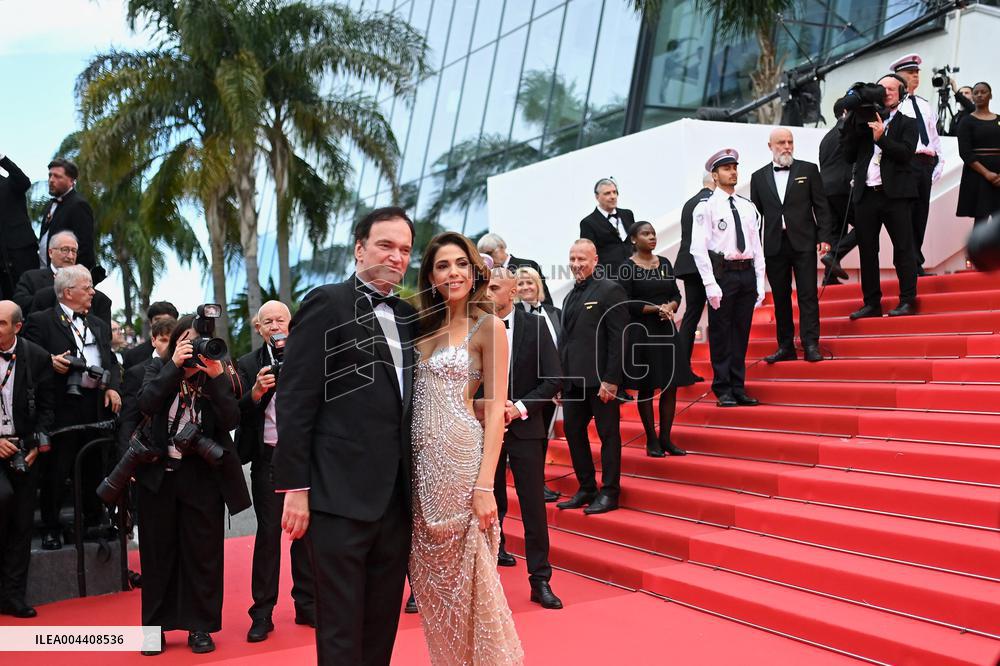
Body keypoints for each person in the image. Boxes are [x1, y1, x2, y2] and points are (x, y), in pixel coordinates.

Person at [274, 207, 417, 666]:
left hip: (395, 500)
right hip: (337, 498)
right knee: (339, 628)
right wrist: (296, 488)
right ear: (360, 249)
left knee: (381, 624)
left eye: (405, 250)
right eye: (385, 245)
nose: (396, 257)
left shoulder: (410, 317)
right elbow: (296, 400)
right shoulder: (327, 303)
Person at [409, 232, 522, 664]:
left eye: (460, 263)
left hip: (461, 468)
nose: (452, 272)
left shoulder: (487, 326)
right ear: (431, 276)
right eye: (442, 266)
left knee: (472, 587)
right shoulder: (422, 327)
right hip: (421, 472)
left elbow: (495, 411)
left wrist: (485, 485)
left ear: (475, 270)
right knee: (436, 591)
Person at [135, 315, 250, 655]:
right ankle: (154, 629)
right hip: (159, 475)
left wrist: (216, 381)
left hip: (203, 476)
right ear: (175, 342)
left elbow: (232, 420)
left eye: (201, 338)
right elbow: (146, 403)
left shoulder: (216, 373)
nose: (196, 345)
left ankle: (200, 627)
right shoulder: (157, 370)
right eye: (189, 338)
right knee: (157, 556)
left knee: (204, 555)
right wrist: (174, 367)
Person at [22, 264, 121, 550]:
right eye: (87, 287)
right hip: (60, 405)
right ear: (68, 292)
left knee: (94, 464)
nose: (93, 292)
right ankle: (51, 526)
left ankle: (92, 521)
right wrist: (49, 360)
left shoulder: (98, 325)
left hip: (94, 404)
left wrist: (113, 386)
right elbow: (27, 357)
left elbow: (110, 361)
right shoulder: (41, 321)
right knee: (57, 468)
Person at [235, 300, 315, 642]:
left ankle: (307, 604)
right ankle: (262, 613)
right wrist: (257, 392)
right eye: (267, 321)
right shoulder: (248, 364)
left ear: (291, 323)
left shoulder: (307, 356)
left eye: (280, 319)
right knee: (268, 536)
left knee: (306, 534)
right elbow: (236, 413)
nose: (274, 325)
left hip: (304, 457)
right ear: (259, 328)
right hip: (267, 458)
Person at [484, 268, 563, 610]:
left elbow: (553, 379)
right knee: (488, 504)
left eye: (495, 287)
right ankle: (485, 577)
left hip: (525, 428)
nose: (487, 292)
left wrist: (517, 409)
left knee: (532, 505)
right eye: (485, 286)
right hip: (484, 430)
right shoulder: (476, 327)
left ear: (513, 291)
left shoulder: (534, 326)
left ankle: (540, 579)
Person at [750, 128, 836, 364]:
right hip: (775, 245)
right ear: (770, 146)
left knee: (808, 295)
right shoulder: (758, 177)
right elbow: (755, 218)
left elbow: (821, 207)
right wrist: (755, 250)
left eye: (790, 142)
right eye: (781, 143)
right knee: (780, 297)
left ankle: (811, 345)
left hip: (804, 242)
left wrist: (825, 237)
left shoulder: (808, 170)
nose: (787, 146)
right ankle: (785, 346)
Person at [556, 239, 629, 515]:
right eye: (572, 258)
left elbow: (619, 339)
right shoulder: (569, 295)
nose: (576, 264)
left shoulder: (610, 290)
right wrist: (560, 379)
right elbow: (566, 341)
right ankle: (587, 487)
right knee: (574, 433)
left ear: (595, 260)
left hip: (601, 381)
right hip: (573, 381)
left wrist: (612, 380)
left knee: (608, 435)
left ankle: (610, 492)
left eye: (581, 259)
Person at [841, 74, 920, 320]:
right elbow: (849, 155)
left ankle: (907, 300)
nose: (885, 93)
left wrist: (882, 138)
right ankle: (871, 303)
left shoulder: (908, 123)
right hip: (866, 195)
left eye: (890, 89)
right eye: (881, 89)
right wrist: (850, 123)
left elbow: (906, 154)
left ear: (902, 93)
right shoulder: (863, 121)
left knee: (903, 249)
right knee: (867, 251)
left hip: (895, 195)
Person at [690, 149, 765, 407]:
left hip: (746, 273)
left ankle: (738, 386)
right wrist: (710, 284)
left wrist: (759, 282)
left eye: (734, 167)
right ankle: (722, 388)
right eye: (726, 168)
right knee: (722, 333)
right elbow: (698, 249)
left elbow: (757, 246)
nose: (732, 172)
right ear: (714, 174)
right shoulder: (706, 207)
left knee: (741, 332)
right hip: (723, 274)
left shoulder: (747, 206)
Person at [0, 301, 54, 619]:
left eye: (1, 324)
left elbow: (48, 408)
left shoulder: (36, 356)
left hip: (25, 449)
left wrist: (37, 444)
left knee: (22, 524)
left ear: (17, 327)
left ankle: (12, 596)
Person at [619, 222, 688, 457]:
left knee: (670, 386)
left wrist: (670, 306)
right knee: (647, 388)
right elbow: (626, 302)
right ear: (633, 240)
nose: (652, 237)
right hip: (643, 332)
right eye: (645, 234)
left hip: (666, 330)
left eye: (653, 234)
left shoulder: (665, 263)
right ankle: (651, 440)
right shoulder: (627, 267)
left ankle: (666, 438)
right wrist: (653, 309)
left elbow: (676, 293)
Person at [891, 54, 944, 275]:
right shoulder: (893, 106)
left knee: (921, 214)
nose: (915, 76)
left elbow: (934, 137)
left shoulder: (923, 104)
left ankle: (916, 261)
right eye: (910, 72)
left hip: (925, 162)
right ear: (898, 76)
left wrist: (937, 163)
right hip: (906, 162)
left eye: (917, 72)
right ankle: (909, 263)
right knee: (906, 214)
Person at [514, 266, 561, 503]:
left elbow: (562, 349)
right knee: (533, 441)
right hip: (529, 391)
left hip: (552, 388)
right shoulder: (514, 317)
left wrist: (560, 384)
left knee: (544, 438)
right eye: (520, 284)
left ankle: (539, 482)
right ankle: (535, 486)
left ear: (538, 285)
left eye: (529, 283)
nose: (526, 287)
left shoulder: (554, 312)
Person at [13, 232, 112, 326]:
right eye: (65, 250)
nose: (70, 256)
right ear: (50, 252)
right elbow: (20, 306)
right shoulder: (31, 278)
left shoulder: (85, 281)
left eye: (74, 251)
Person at [673, 172, 715, 383]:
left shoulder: (689, 203)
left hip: (688, 265)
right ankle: (719, 367)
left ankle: (681, 368)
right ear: (715, 180)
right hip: (707, 264)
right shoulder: (714, 201)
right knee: (718, 313)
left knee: (691, 315)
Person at [818, 97, 855, 286]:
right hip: (843, 187)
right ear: (846, 112)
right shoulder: (848, 130)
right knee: (865, 225)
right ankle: (835, 254)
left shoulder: (826, 138)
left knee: (836, 232)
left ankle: (829, 277)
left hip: (826, 189)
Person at [37, 159, 96, 270]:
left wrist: (71, 276)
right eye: (50, 175)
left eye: (57, 176)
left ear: (71, 181)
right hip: (46, 273)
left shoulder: (79, 205)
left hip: (66, 277)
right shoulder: (51, 205)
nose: (51, 180)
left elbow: (85, 247)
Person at [957, 82, 1000, 228]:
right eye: (976, 93)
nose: (980, 95)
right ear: (972, 98)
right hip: (978, 175)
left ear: (991, 95)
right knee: (981, 220)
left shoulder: (999, 119)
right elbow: (965, 152)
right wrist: (987, 174)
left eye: (984, 92)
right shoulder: (966, 121)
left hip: (999, 175)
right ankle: (979, 250)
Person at [0, 155, 39, 300]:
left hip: (21, 254)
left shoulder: (10, 184)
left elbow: (24, 182)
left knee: (28, 297)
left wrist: (2, 159)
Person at [580, 178, 635, 276]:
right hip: (611, 278)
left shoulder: (627, 214)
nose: (613, 196)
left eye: (614, 192)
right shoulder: (588, 223)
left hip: (635, 273)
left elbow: (634, 242)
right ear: (597, 196)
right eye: (607, 193)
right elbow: (589, 256)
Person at [478, 233, 552, 303]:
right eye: (483, 256)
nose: (488, 258)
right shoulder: (487, 273)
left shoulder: (527, 265)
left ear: (502, 247)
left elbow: (543, 294)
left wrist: (549, 314)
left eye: (489, 253)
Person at [123, 302, 179, 369]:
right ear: (150, 322)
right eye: (158, 320)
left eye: (167, 320)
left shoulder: (185, 353)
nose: (163, 323)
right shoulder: (133, 355)